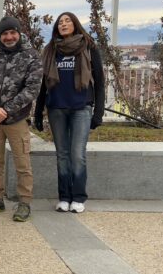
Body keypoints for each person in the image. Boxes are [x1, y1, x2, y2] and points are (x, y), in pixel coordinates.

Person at [34, 12, 105, 214]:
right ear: (57, 27)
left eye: (68, 21)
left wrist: (98, 112)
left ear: (75, 25)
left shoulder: (88, 47)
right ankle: (64, 197)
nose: (64, 24)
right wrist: (38, 113)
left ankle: (79, 197)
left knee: (77, 154)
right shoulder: (50, 50)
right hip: (56, 108)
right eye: (61, 22)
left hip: (81, 108)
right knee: (62, 155)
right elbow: (43, 84)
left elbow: (99, 81)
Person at [0, 16, 43, 222]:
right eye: (4, 33)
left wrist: (5, 109)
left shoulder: (31, 56)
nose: (8, 37)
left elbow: (32, 89)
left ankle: (24, 202)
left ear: (18, 32)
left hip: (17, 120)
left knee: (22, 163)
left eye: (12, 32)